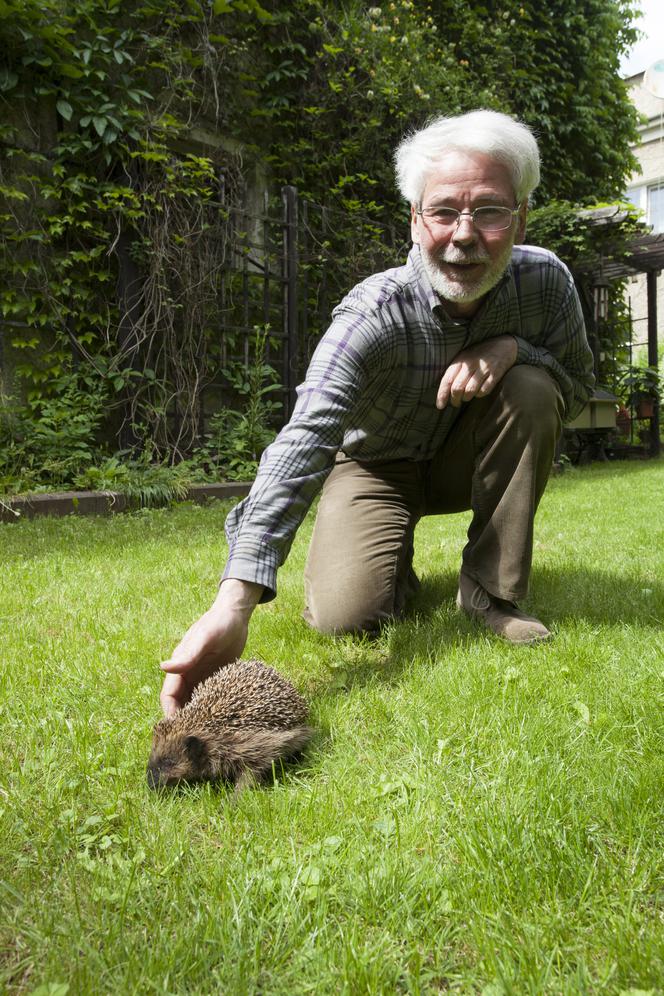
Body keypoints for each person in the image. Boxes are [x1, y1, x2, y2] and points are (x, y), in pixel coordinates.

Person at [160, 109, 594, 716]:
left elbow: (576, 388)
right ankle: (388, 561)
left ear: (521, 217)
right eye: (443, 211)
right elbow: (307, 434)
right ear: (415, 220)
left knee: (531, 387)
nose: (463, 234)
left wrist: (516, 350)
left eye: (490, 210)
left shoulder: (546, 283)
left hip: (461, 461)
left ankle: (492, 596)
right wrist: (233, 602)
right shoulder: (372, 313)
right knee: (347, 619)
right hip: (374, 465)